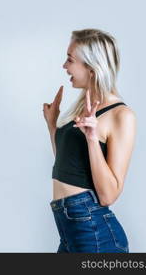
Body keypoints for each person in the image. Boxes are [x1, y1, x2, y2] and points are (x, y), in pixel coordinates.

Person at [43, 29, 136, 253]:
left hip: (93, 234)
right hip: (69, 231)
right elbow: (69, 166)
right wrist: (52, 125)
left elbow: (108, 195)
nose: (64, 66)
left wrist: (93, 139)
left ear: (92, 67)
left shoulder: (122, 116)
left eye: (70, 59)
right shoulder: (82, 109)